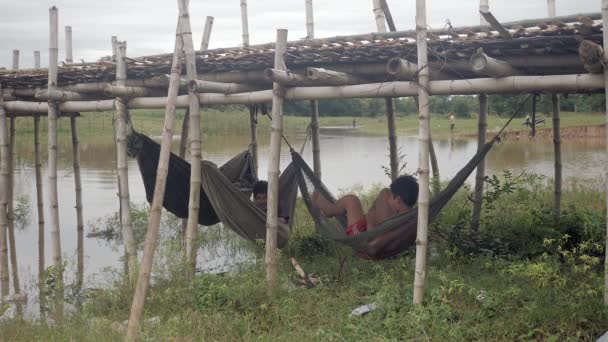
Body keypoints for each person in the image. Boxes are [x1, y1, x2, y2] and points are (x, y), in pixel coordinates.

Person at [311, 175, 419, 236]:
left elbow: (373, 242)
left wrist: (370, 220)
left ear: (399, 200)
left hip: (362, 239)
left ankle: (329, 210)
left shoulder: (397, 222)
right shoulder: (410, 216)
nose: (388, 199)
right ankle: (332, 208)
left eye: (392, 197)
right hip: (368, 230)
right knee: (384, 192)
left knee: (351, 200)